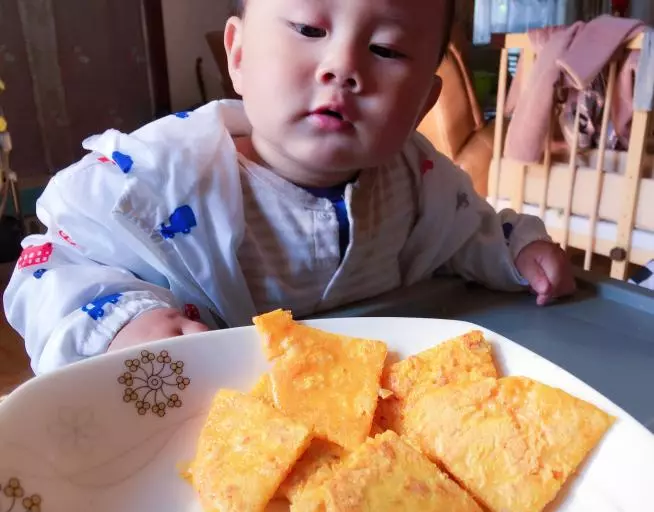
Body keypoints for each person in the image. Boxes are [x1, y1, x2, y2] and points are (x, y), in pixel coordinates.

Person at [3, 0, 576, 375]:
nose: (342, 66)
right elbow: (50, 264)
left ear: (423, 104)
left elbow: (469, 231)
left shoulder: (418, 178)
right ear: (240, 55)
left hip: (363, 424)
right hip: (197, 428)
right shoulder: (153, 179)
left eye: (386, 50)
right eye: (308, 29)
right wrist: (122, 322)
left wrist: (517, 249)